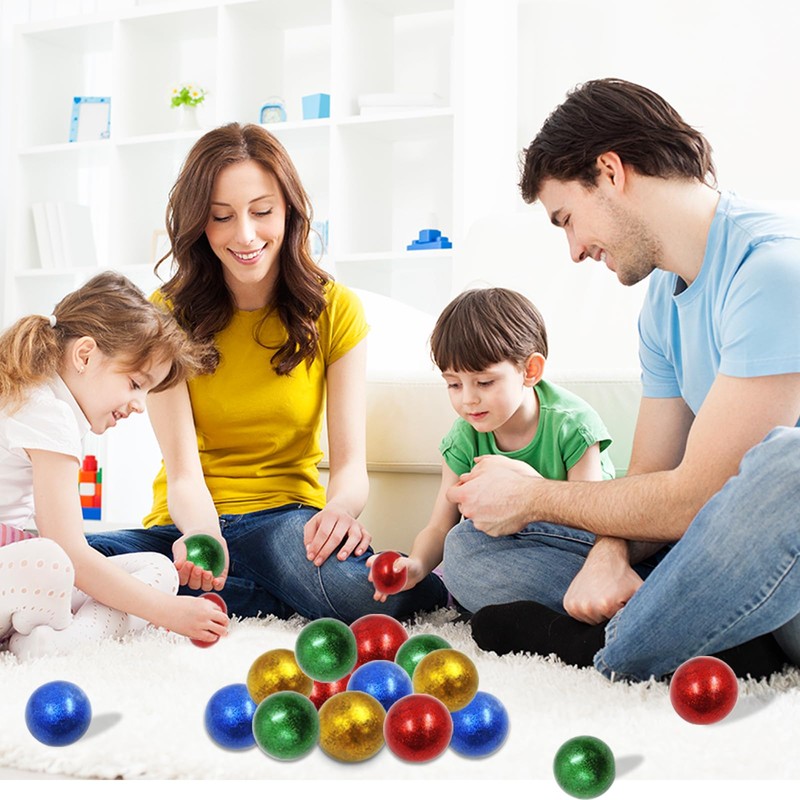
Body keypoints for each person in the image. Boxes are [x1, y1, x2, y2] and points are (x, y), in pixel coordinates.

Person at [444, 78, 800, 682]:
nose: (574, 250)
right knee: (471, 551)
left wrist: (533, 497)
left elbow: (695, 497)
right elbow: (652, 475)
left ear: (610, 173)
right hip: (721, 557)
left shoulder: (772, 269)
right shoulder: (663, 300)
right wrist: (609, 555)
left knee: (788, 467)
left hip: (780, 545)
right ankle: (718, 634)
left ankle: (600, 646)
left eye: (567, 219)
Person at [87, 122, 448, 623]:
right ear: (199, 223)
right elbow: (184, 473)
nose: (245, 235)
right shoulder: (166, 314)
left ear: (289, 211)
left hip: (286, 525)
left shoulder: (335, 309)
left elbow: (350, 468)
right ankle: (256, 595)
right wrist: (204, 539)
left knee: (362, 595)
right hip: (187, 525)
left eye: (262, 212)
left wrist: (339, 513)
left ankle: (202, 593)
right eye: (221, 216)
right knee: (74, 560)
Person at [0, 272, 228, 660]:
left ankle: (49, 641)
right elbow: (70, 551)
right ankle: (48, 639)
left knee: (157, 569)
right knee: (54, 562)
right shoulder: (46, 411)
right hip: (29, 567)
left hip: (17, 567)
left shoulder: (49, 402)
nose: (139, 405)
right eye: (136, 384)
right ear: (85, 355)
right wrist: (169, 613)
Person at [368, 287, 615, 605]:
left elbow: (591, 521)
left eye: (484, 382)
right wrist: (415, 565)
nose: (468, 399)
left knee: (465, 551)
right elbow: (440, 527)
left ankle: (576, 602)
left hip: (580, 548)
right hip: (515, 555)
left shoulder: (573, 425)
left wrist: (528, 486)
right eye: (453, 384)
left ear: (530, 371)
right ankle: (557, 609)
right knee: (460, 547)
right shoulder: (464, 437)